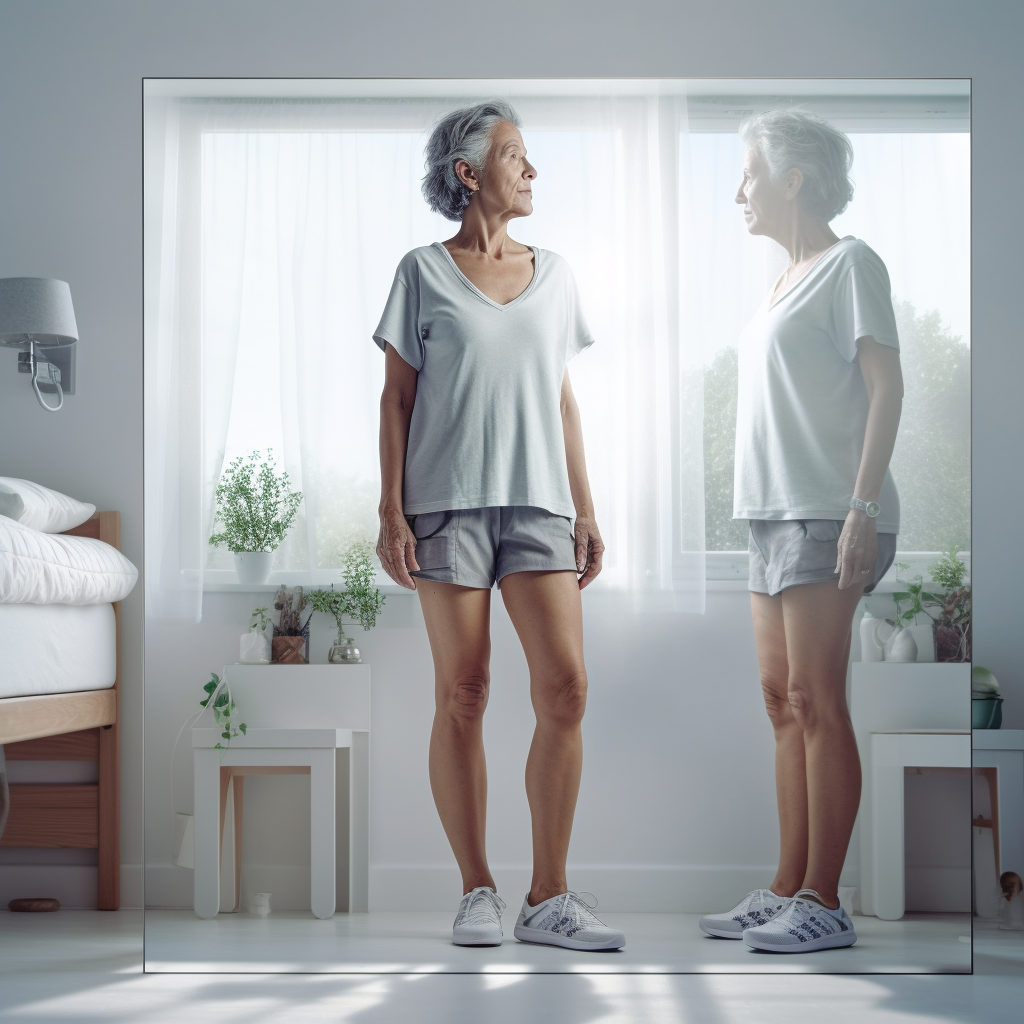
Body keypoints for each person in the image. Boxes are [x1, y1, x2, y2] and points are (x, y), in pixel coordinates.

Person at [373, 100, 624, 951]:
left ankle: (548, 896)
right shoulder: (421, 271)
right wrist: (389, 511)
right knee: (465, 693)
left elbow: (560, 397)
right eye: (516, 156)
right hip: (444, 506)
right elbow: (397, 400)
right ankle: (476, 889)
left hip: (539, 505)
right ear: (468, 173)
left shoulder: (554, 274)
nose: (531, 170)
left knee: (567, 690)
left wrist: (585, 506)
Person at [699, 110, 903, 953]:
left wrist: (861, 509)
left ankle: (825, 900)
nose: (737, 190)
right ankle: (787, 887)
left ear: (793, 179)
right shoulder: (781, 280)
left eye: (749, 173)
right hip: (771, 516)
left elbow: (886, 390)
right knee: (782, 704)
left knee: (819, 703)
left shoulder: (853, 263)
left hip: (830, 512)